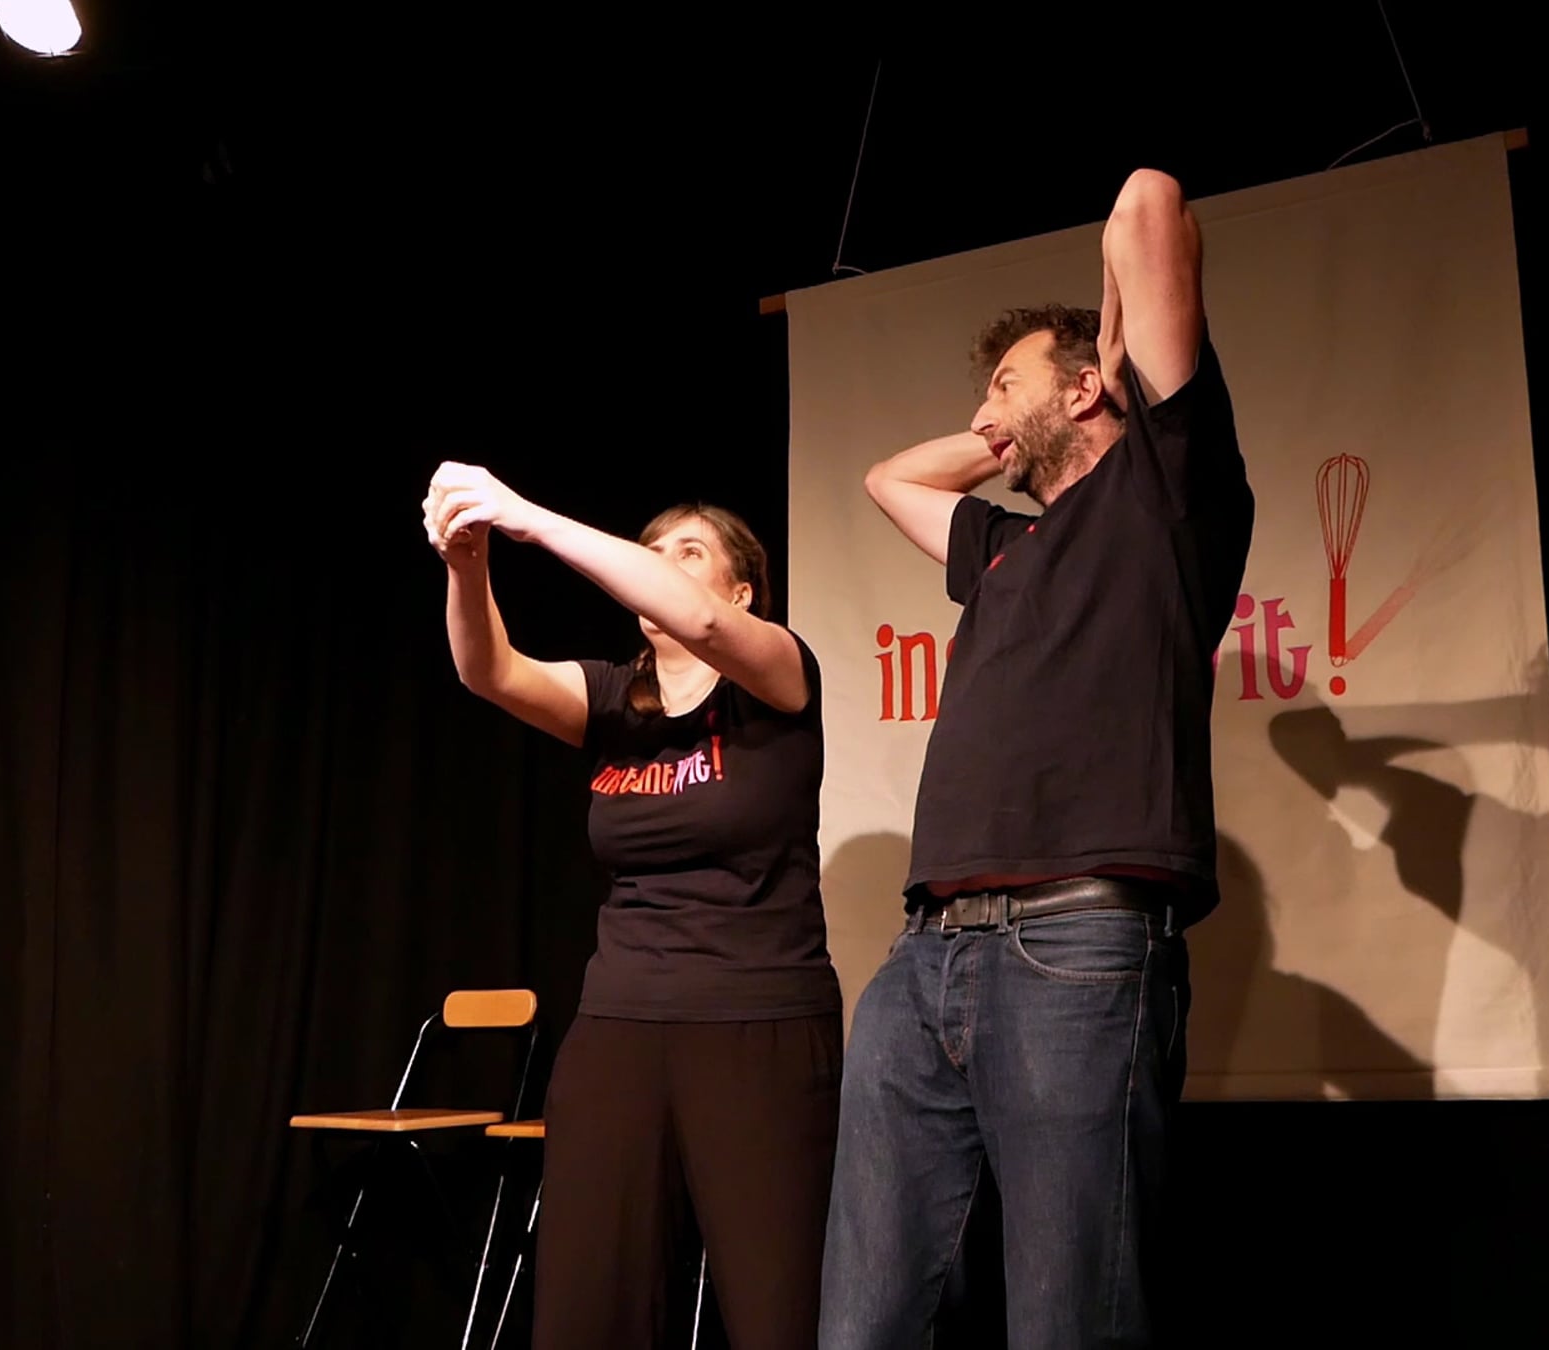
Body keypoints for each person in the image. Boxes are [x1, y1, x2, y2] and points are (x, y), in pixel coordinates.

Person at [820, 167, 1255, 1348]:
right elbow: (889, 480)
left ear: (1086, 385)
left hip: (1075, 942)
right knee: (866, 1318)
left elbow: (1148, 200)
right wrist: (1006, 423)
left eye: (1004, 384)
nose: (985, 414)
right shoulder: (1004, 545)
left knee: (1070, 1314)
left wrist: (1108, 349)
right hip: (924, 957)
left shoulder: (1167, 495)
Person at [423, 464, 841, 1350]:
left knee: (777, 1310)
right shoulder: (615, 699)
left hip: (756, 1023)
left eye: (688, 553)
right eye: (651, 551)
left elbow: (702, 624)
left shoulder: (777, 674)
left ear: (741, 590)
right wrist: (468, 561)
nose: (659, 565)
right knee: (588, 1306)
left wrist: (527, 515)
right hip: (619, 1023)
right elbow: (487, 671)